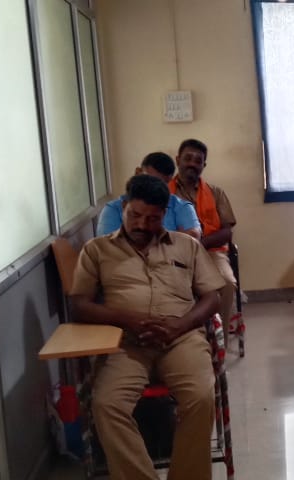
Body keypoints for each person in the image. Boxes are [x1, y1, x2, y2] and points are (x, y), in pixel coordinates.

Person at [71, 175, 225, 480]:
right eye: (135, 215)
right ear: (124, 208)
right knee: (107, 405)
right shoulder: (97, 250)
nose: (142, 225)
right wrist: (126, 320)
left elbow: (212, 297)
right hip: (126, 341)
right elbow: (79, 304)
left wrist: (178, 326)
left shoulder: (186, 246)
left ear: (164, 214)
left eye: (152, 219)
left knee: (200, 397)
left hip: (181, 338)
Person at [169, 138, 239, 326]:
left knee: (227, 283)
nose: (192, 164)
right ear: (178, 160)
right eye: (187, 158)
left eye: (198, 160)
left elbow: (227, 233)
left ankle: (221, 336)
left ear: (204, 165)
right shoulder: (165, 192)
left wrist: (199, 245)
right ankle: (186, 331)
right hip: (173, 253)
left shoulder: (216, 193)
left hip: (211, 253)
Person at [97, 152, 201, 239]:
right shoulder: (113, 209)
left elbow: (192, 239)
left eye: (160, 184)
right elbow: (109, 249)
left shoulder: (181, 206)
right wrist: (172, 240)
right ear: (138, 172)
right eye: (148, 179)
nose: (152, 188)